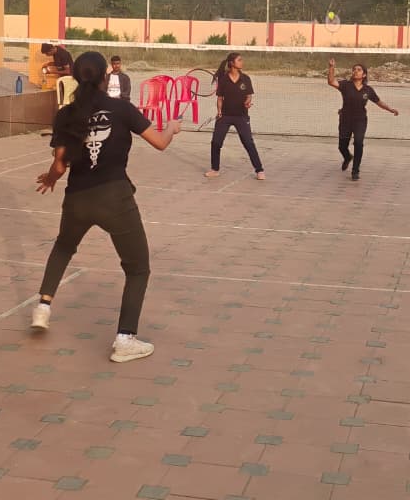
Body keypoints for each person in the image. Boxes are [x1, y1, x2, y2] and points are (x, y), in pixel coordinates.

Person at [32, 52, 181, 363]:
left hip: (77, 198)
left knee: (63, 247)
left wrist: (50, 179)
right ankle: (125, 339)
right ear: (105, 77)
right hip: (115, 198)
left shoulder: (66, 113)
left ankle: (43, 307)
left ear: (75, 77)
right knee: (138, 268)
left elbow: (59, 165)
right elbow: (160, 142)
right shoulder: (121, 108)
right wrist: (172, 128)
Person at [327, 58, 399, 181]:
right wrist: (331, 67)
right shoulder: (345, 85)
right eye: (354, 69)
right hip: (345, 119)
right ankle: (347, 157)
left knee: (358, 142)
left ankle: (355, 171)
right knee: (342, 146)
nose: (355, 71)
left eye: (359, 70)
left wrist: (390, 109)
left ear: (364, 74)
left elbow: (379, 102)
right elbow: (331, 81)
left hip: (360, 120)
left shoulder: (368, 90)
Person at [205, 52, 265, 180]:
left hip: (241, 116)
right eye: (239, 60)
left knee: (248, 142)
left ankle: (259, 170)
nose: (242, 62)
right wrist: (219, 111)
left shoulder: (246, 79)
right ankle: (215, 169)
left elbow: (249, 95)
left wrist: (247, 102)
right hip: (225, 116)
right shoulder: (223, 79)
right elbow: (220, 98)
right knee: (216, 142)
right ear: (232, 63)